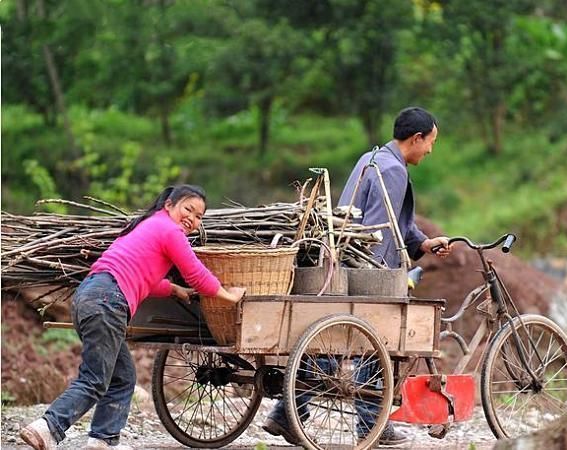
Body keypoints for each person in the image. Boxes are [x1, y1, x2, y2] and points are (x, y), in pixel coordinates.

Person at [262, 106, 452, 446]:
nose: (431, 150)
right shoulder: (393, 172)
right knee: (375, 344)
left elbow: (397, 225)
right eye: (431, 143)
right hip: (367, 268)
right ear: (416, 138)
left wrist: (423, 242)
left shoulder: (372, 158)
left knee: (328, 344)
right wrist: (380, 279)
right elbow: (378, 230)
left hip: (343, 261)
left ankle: (286, 413)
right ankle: (370, 425)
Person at [19, 184, 246, 450]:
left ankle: (102, 441)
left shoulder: (149, 226)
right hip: (108, 301)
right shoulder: (170, 231)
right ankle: (47, 427)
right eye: (188, 209)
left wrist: (172, 288)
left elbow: (142, 276)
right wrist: (228, 295)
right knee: (94, 379)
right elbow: (195, 273)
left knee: (122, 377)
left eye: (199, 217)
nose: (193, 219)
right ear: (169, 205)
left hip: (89, 296)